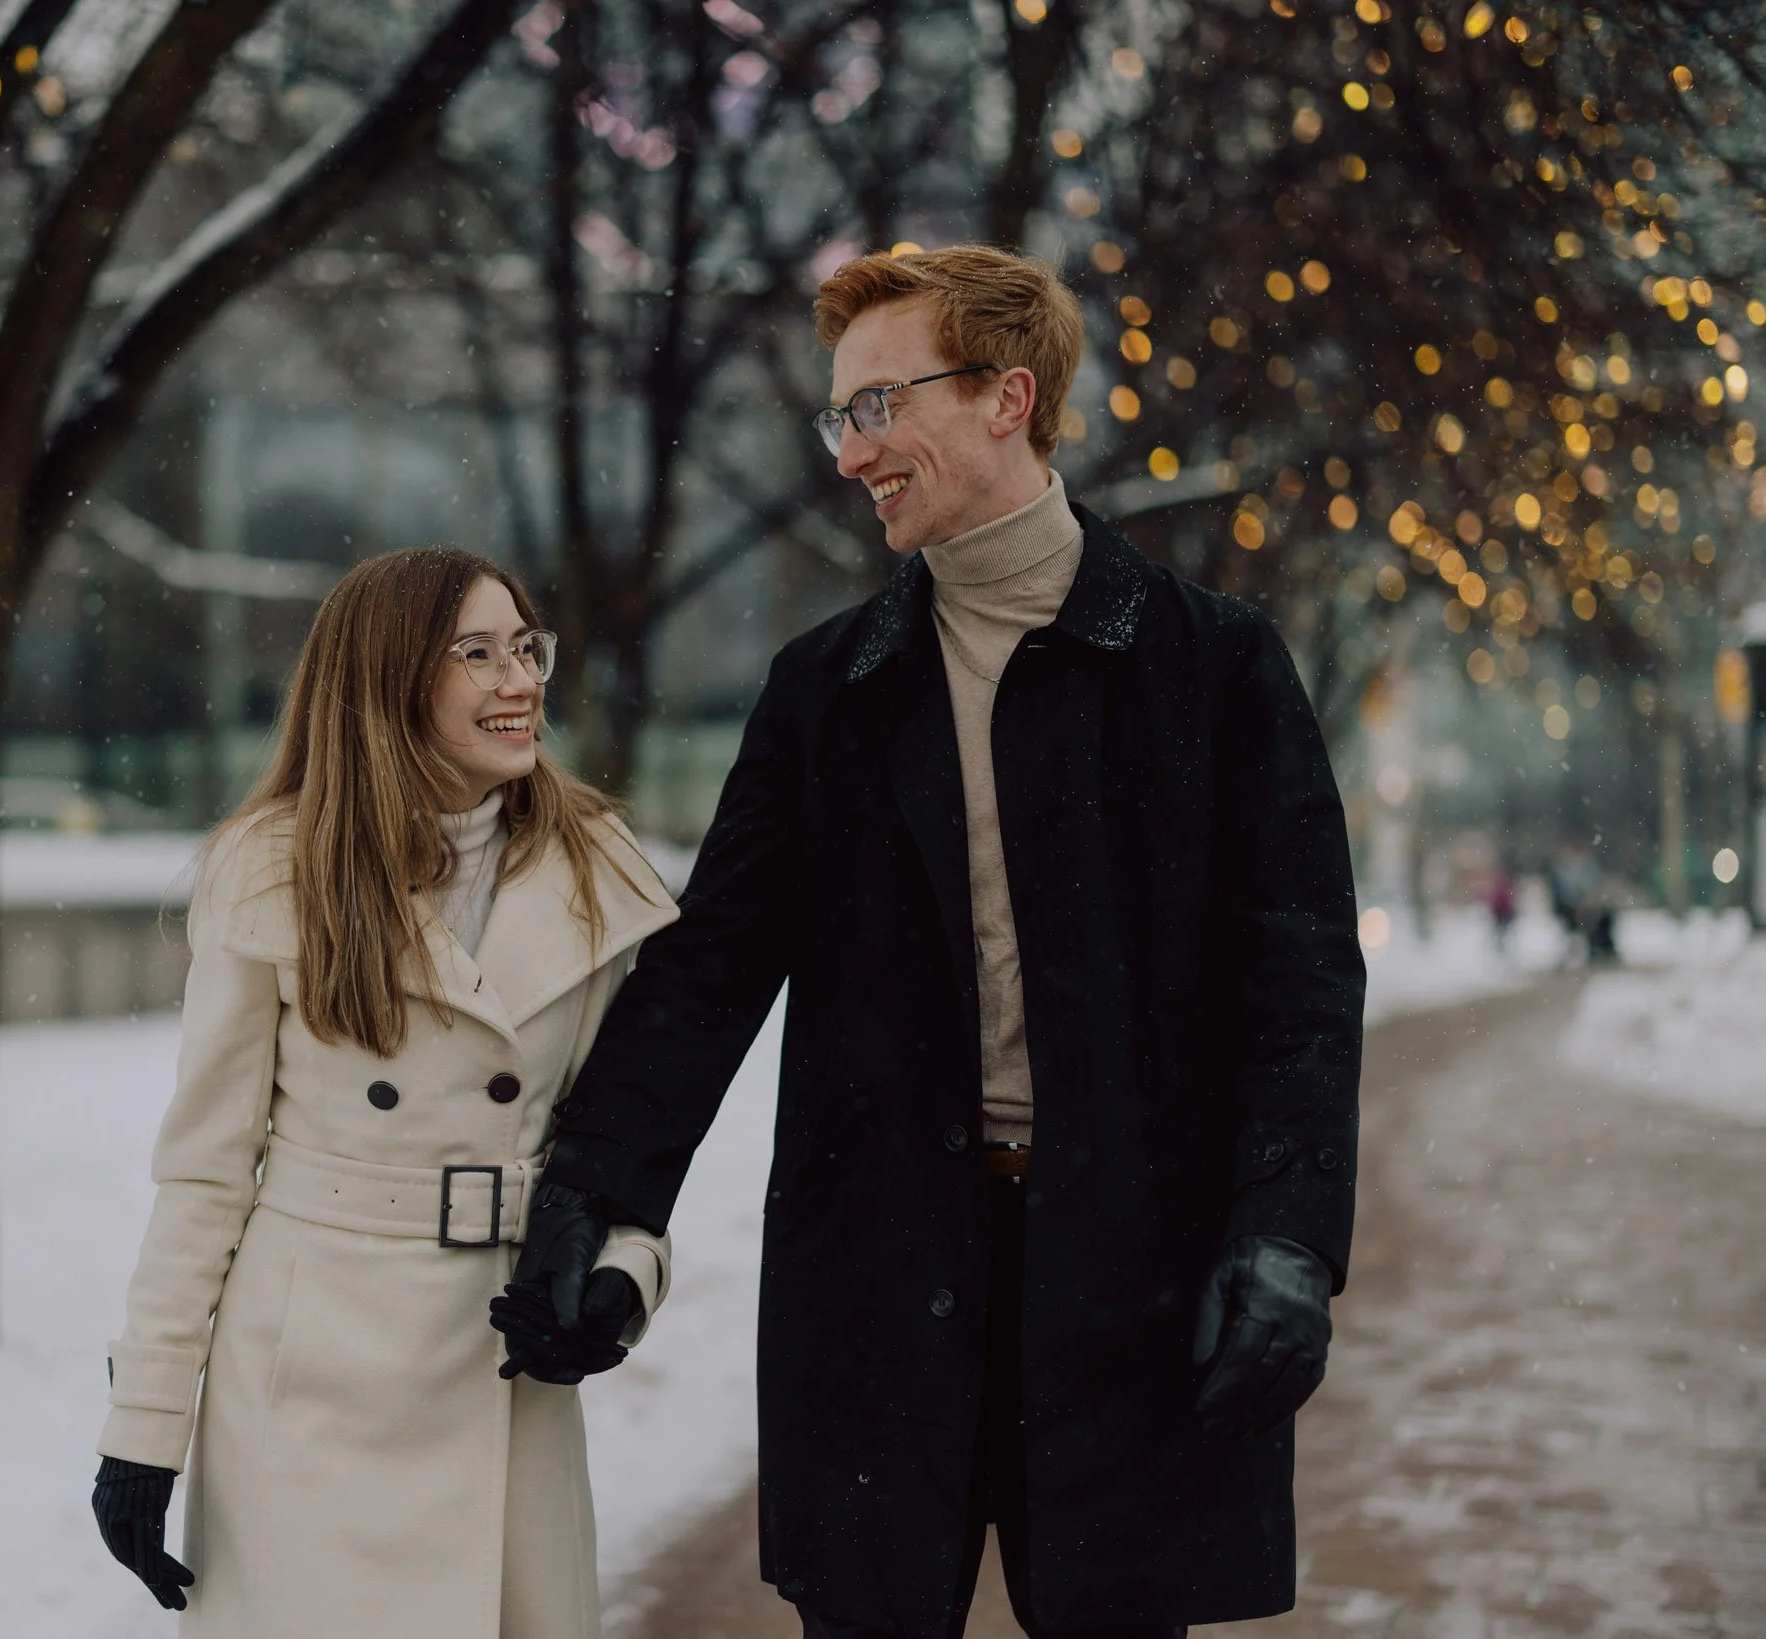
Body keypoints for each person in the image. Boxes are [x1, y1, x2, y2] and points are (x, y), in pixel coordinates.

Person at [494, 247, 1365, 1637]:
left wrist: (1284, 1235)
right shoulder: (825, 691)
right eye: (840, 417)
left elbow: (1301, 976)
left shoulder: (1211, 665)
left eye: (878, 406)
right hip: (878, 1278)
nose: (853, 454)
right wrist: (599, 1188)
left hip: (1134, 1271)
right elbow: (711, 962)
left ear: (1007, 397)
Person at [88, 547, 680, 1639]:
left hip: (503, 1364)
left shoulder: (597, 870)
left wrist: (623, 1275)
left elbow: (632, 1143)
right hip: (312, 1374)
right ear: (389, 678)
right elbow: (204, 1172)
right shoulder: (272, 870)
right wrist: (143, 1427)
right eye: (477, 653)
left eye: (525, 647)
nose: (520, 679)